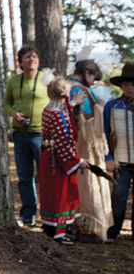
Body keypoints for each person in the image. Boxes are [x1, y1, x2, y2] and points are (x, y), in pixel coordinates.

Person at [38, 77, 86, 245]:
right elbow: (64, 144)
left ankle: (50, 230)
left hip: (48, 158)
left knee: (50, 195)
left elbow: (62, 114)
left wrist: (72, 103)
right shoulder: (59, 116)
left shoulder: (48, 109)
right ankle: (58, 234)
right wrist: (78, 161)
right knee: (60, 196)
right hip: (57, 162)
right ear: (65, 93)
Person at [3, 46, 48, 227]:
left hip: (42, 135)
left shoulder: (46, 79)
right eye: (27, 57)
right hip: (21, 134)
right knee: (24, 177)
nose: (32, 59)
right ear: (21, 62)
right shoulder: (14, 81)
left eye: (35, 56)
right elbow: (6, 102)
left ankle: (48, 215)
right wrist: (13, 114)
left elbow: (59, 99)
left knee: (45, 176)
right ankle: (28, 215)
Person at [69, 59, 113, 242]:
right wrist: (101, 108)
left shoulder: (67, 88)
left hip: (75, 147)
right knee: (89, 184)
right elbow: (90, 124)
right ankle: (87, 229)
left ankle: (76, 224)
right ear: (86, 73)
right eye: (93, 78)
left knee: (80, 183)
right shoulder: (81, 91)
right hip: (86, 148)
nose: (93, 83)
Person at [104, 62, 134, 241]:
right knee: (118, 198)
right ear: (121, 86)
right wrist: (108, 156)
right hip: (120, 161)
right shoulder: (112, 106)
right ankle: (113, 232)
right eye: (127, 84)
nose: (130, 88)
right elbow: (105, 134)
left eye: (133, 84)